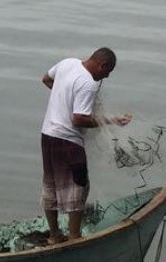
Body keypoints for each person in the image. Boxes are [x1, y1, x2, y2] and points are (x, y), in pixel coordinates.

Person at [40, 48, 131, 245]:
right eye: (108, 72)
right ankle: (74, 238)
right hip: (67, 140)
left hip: (47, 134)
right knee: (78, 187)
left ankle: (54, 235)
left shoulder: (67, 63)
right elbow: (79, 120)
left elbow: (46, 79)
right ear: (103, 65)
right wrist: (108, 121)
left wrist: (65, 98)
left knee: (52, 185)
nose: (106, 76)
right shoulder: (88, 83)